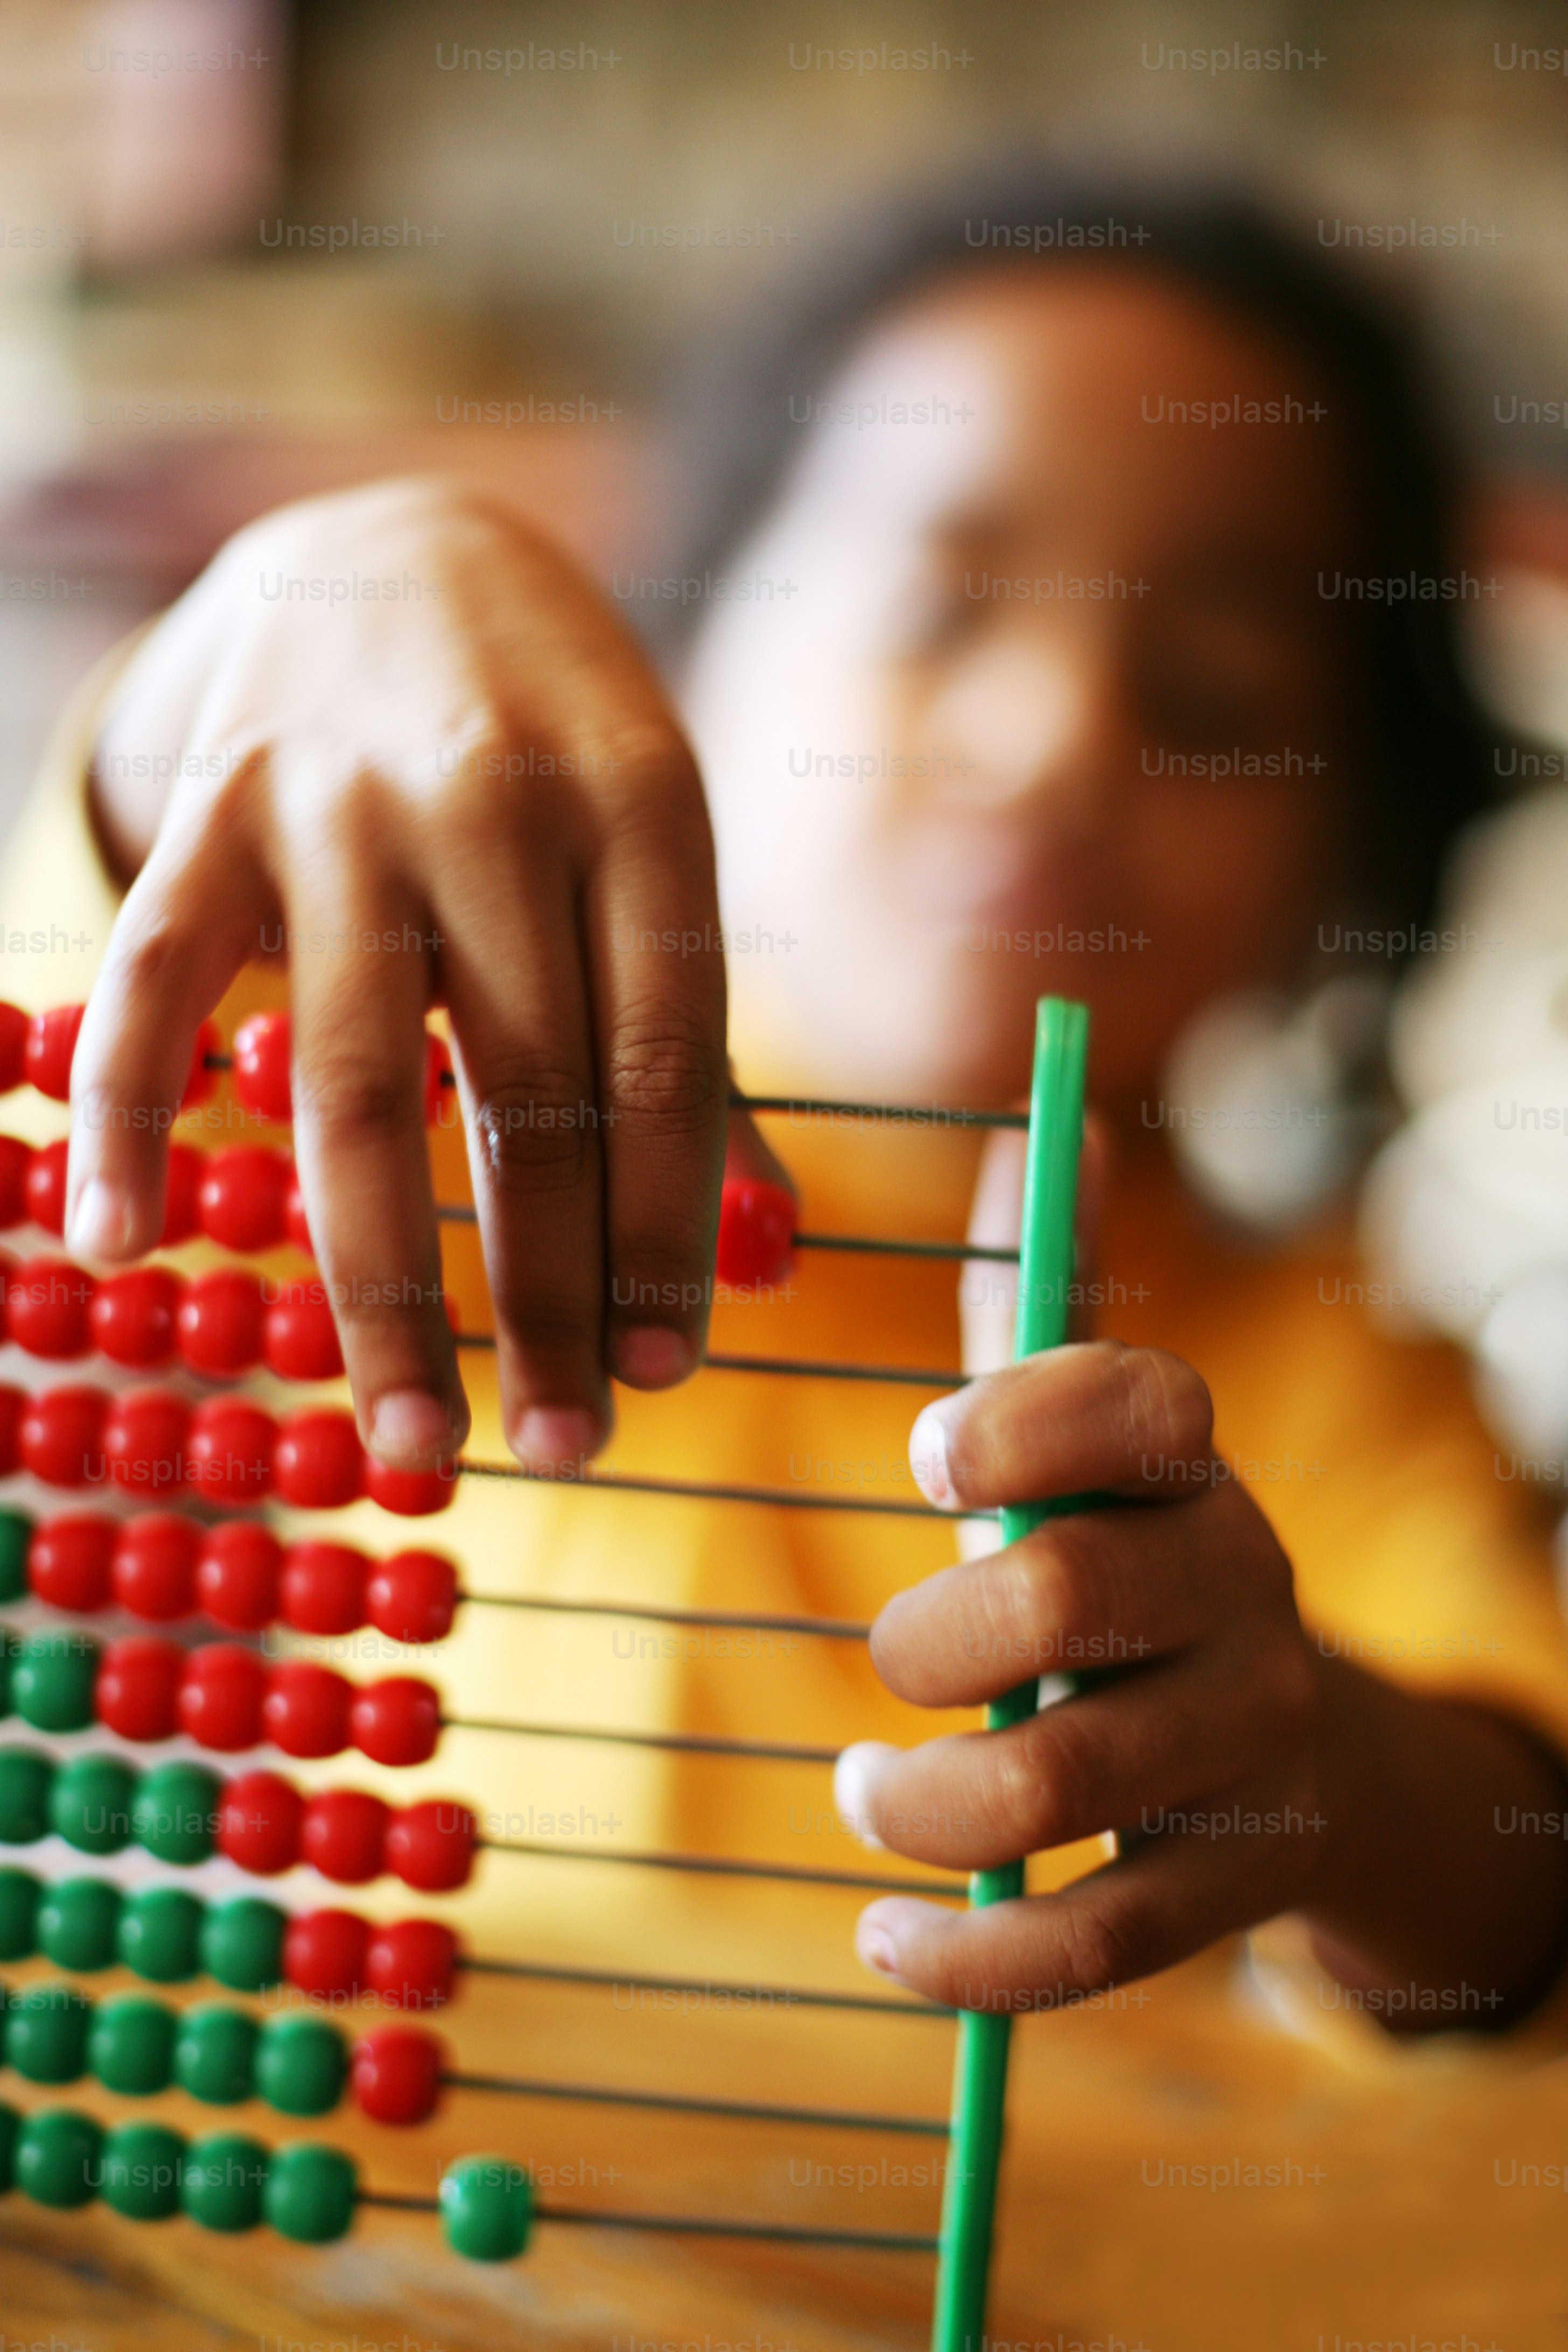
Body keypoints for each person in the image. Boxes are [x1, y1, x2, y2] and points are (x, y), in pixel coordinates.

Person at [12, 165, 1568, 2047]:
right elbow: (107, 1016)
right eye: (931, 607)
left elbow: (1515, 1878)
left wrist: (1328, 1771)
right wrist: (271, 640)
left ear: (1346, 854)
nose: (1054, 736)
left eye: (1215, 689)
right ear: (674, 663)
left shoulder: (1334, 1378)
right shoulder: (415, 1130)